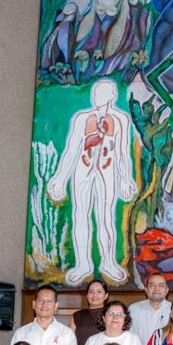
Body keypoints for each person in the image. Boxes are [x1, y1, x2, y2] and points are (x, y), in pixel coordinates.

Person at [46, 78, 137, 285]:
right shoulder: (82, 118)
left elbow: (123, 153)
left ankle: (108, 262)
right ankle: (83, 264)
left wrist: (125, 180)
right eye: (95, 92)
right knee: (80, 215)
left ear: (112, 96)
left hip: (107, 172)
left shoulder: (120, 119)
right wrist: (60, 178)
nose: (97, 97)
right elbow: (71, 150)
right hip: (83, 171)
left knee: (106, 217)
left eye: (102, 93)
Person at [128, 273, 171, 345]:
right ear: (146, 290)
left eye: (161, 285)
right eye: (152, 285)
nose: (156, 289)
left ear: (167, 290)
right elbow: (129, 337)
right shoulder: (133, 309)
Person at [70, 279, 108, 345]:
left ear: (106, 296)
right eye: (91, 292)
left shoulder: (111, 314)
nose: (94, 295)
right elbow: (69, 342)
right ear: (87, 295)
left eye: (99, 291)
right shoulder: (77, 315)